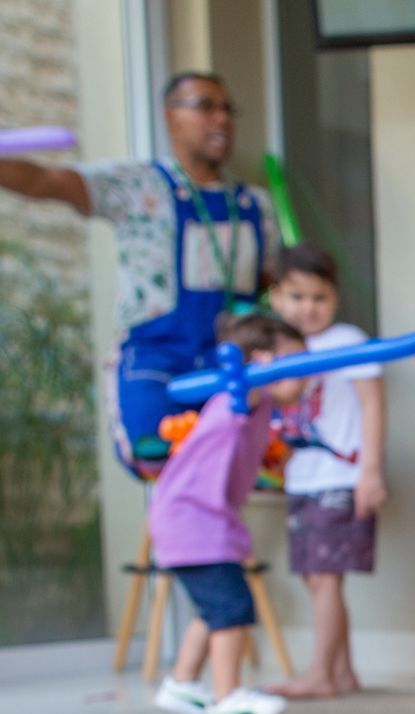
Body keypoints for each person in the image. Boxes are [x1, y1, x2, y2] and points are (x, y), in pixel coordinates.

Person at [0, 72, 278, 475]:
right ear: (170, 117)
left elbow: (272, 286)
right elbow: (47, 181)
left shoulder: (257, 206)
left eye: (227, 110)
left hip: (229, 365)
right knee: (157, 462)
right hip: (155, 362)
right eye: (205, 106)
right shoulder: (136, 184)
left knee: (239, 471)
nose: (221, 119)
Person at [149, 311, 306, 714]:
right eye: (298, 363)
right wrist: (252, 375)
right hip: (192, 518)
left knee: (213, 607)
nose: (306, 374)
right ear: (262, 362)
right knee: (232, 608)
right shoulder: (238, 400)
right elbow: (246, 391)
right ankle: (228, 698)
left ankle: (182, 684)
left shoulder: (259, 405)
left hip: (190, 517)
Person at [266, 244, 386, 699]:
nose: (308, 308)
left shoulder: (346, 341)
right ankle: (342, 672)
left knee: (325, 578)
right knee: (318, 577)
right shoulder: (280, 350)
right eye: (297, 297)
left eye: (320, 298)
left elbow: (373, 403)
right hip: (303, 476)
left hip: (340, 476)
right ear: (276, 297)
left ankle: (319, 674)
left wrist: (371, 471)